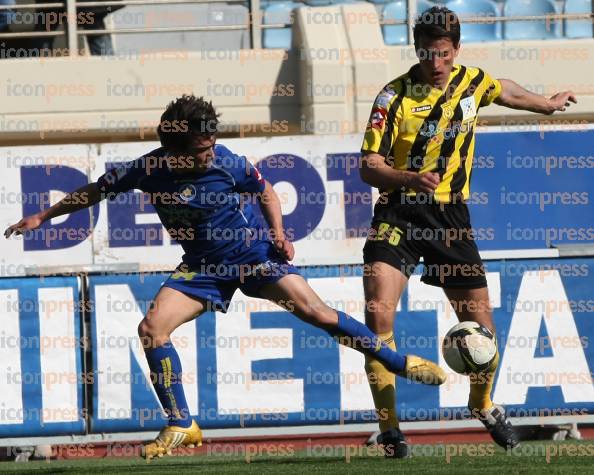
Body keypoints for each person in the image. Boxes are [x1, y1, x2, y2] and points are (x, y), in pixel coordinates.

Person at [5, 95, 447, 460]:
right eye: (201, 148)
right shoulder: (148, 169)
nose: (210, 152)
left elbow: (266, 191)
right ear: (176, 150)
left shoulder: (228, 163)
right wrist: (44, 214)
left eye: (212, 142)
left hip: (252, 254)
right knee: (151, 329)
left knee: (318, 314)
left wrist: (279, 234)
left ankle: (399, 363)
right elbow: (95, 191)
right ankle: (182, 423)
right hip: (202, 267)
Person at [359, 6, 576, 457]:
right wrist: (408, 179)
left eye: (442, 54)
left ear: (456, 50)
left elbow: (504, 90)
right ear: (415, 50)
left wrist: (546, 105)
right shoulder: (392, 96)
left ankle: (481, 402)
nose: (434, 63)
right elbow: (369, 165)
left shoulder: (473, 81)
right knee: (378, 318)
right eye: (425, 53)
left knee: (482, 331)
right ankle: (391, 428)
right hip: (398, 214)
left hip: (450, 222)